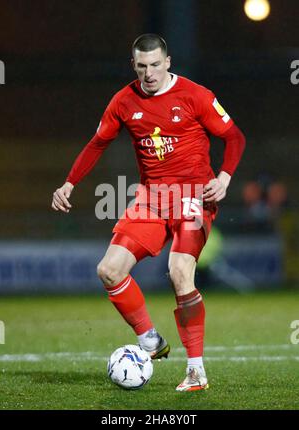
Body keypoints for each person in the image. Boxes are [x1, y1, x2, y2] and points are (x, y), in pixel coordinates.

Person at [52, 34, 246, 392]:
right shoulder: (124, 101)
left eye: (155, 64)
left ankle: (195, 371)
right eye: (142, 66)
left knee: (179, 271)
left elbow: (234, 137)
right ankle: (150, 340)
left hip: (193, 196)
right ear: (134, 66)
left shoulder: (195, 96)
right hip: (152, 199)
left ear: (168, 62)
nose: (149, 73)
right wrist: (69, 183)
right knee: (109, 271)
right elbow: (98, 143)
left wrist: (224, 177)